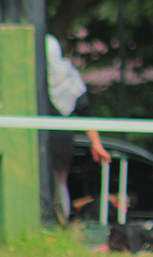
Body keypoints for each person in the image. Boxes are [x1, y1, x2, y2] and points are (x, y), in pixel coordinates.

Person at [45, 35, 111, 224]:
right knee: (59, 185)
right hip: (62, 140)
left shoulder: (31, 77)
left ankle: (55, 224)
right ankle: (59, 223)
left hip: (48, 140)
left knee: (52, 184)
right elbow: (85, 111)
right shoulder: (68, 77)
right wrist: (95, 143)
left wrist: (96, 143)